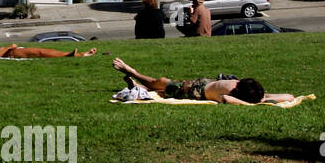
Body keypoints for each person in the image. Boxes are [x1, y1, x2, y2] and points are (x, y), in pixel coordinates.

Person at [111, 56, 294, 104]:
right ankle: (133, 74)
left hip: (197, 87)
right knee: (160, 84)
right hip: (194, 88)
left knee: (160, 86)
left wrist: (262, 100)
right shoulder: (231, 92)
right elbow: (288, 97)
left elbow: (289, 96)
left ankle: (134, 79)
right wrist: (259, 102)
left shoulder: (237, 90)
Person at [0, 44, 98, 59]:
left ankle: (79, 54)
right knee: (41, 53)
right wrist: (9, 47)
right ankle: (71, 55)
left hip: (15, 50)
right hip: (13, 53)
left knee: (46, 50)